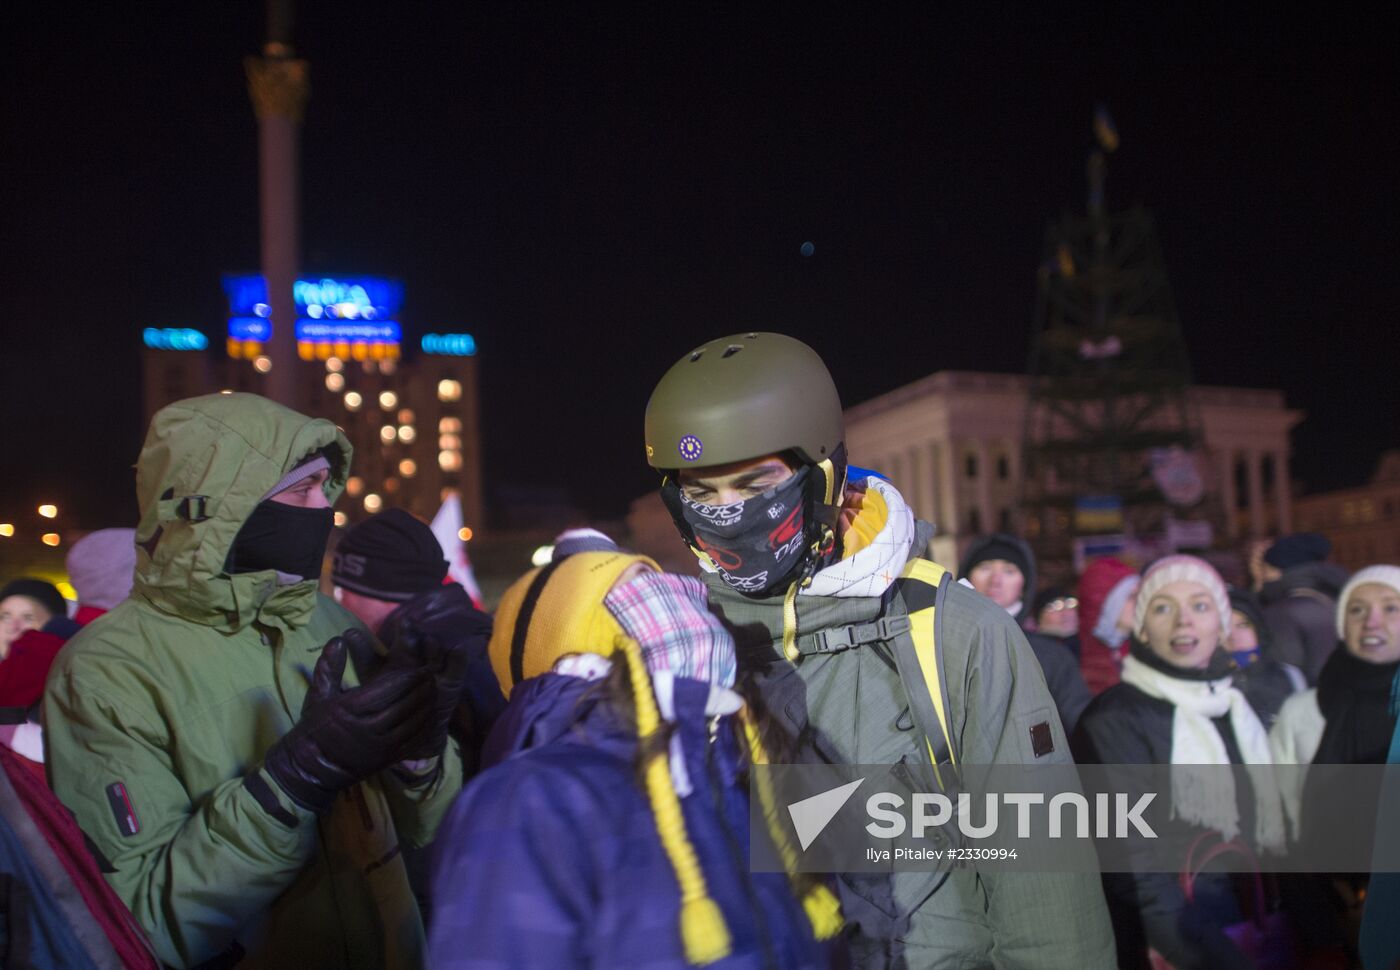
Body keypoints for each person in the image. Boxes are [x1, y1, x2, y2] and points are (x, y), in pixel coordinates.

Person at [643, 332, 1114, 968]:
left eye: (755, 484)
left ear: (823, 479)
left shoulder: (952, 633)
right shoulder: (680, 647)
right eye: (702, 494)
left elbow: (1045, 896)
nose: (729, 513)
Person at [43, 392, 466, 969]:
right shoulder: (105, 671)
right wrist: (288, 785)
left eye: (325, 487)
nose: (324, 508)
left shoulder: (328, 622)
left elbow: (426, 832)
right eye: (301, 490)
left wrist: (420, 759)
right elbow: (145, 920)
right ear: (218, 506)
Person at [428, 544, 837, 968]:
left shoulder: (737, 768)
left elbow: (898, 831)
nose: (679, 600)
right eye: (641, 591)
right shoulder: (526, 803)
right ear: (576, 649)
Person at [1074, 555, 1286, 970]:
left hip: (1248, 928)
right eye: (1163, 607)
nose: (1183, 621)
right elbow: (1133, 869)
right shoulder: (1113, 719)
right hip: (1171, 946)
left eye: (1200, 606)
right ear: (1143, 629)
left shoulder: (1234, 708)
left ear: (1222, 626)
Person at [1269, 565, 1400, 961]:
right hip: (1332, 907)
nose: (1372, 620)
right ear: (1342, 623)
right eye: (1357, 609)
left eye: (1391, 608)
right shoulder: (1301, 712)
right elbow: (1278, 816)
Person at [331, 507, 500, 769]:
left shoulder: (440, 657)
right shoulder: (460, 638)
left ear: (382, 588)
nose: (338, 601)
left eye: (343, 590)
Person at [960, 533, 1093, 735]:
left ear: (1025, 584)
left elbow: (1080, 728)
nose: (996, 580)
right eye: (985, 567)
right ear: (967, 577)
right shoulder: (945, 646)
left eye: (1009, 571)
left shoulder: (1051, 656)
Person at [1258, 532, 1350, 684]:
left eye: (1265, 570)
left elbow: (1284, 673)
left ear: (1279, 570)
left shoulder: (1281, 612)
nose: (1262, 577)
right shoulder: (1340, 600)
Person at [1226, 587, 1303, 729]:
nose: (1233, 636)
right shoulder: (1201, 687)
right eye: (1223, 627)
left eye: (1243, 625)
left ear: (1258, 630)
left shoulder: (1289, 677)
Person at [1076, 556, 1139, 695]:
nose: (1140, 603)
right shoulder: (1075, 661)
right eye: (1131, 596)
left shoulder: (1144, 653)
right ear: (1107, 604)